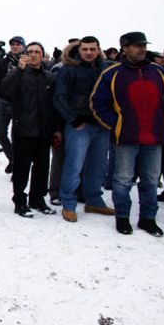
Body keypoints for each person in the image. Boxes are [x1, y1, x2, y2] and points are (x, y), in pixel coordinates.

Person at [90, 32, 164, 237]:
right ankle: (122, 217)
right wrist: (117, 125)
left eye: (143, 45)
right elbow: (97, 103)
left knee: (151, 181)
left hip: (155, 137)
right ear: (124, 48)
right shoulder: (112, 74)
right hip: (126, 138)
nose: (141, 49)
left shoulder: (160, 72)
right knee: (123, 180)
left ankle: (148, 219)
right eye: (136, 45)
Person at [53, 36, 114, 223]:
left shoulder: (106, 69)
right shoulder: (69, 69)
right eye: (85, 49)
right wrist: (74, 119)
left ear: (98, 50)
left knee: (98, 165)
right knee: (74, 165)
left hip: (101, 125)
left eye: (92, 49)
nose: (88, 52)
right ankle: (68, 202)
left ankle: (94, 199)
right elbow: (59, 97)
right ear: (79, 50)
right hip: (80, 124)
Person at [0, 42, 59, 217]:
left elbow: (54, 104)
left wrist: (56, 129)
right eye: (30, 51)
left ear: (42, 55)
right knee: (21, 169)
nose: (33, 54)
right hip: (23, 129)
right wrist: (18, 70)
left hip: (44, 130)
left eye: (37, 52)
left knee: (42, 168)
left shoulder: (50, 77)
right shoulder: (18, 74)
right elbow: (4, 91)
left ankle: (37, 199)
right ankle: (19, 201)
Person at [0, 36, 26, 172]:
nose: (14, 46)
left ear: (23, 46)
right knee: (0, 133)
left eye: (18, 44)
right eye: (12, 44)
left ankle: (18, 163)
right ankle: (12, 158)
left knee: (17, 135)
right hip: (3, 100)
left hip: (20, 101)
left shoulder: (28, 59)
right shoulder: (5, 60)